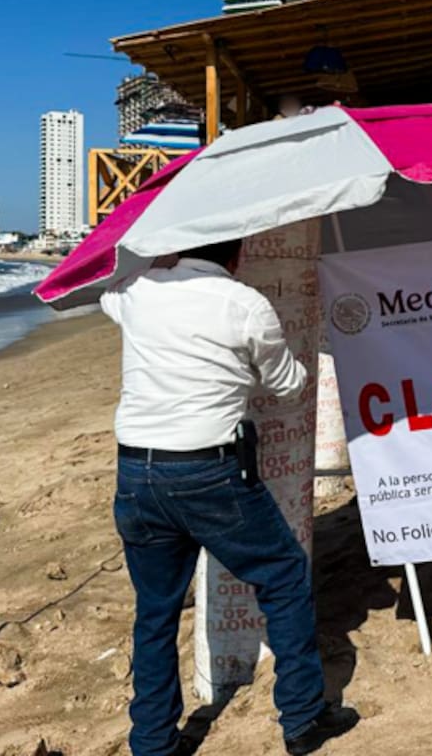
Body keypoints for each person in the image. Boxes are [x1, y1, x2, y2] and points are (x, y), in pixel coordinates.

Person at [101, 239, 358, 756]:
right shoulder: (244, 304)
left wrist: (153, 263)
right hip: (209, 471)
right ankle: (303, 716)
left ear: (177, 248)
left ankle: (152, 740)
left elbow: (105, 286)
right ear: (238, 256)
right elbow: (287, 384)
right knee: (283, 575)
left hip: (136, 471)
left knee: (155, 610)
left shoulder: (138, 289)